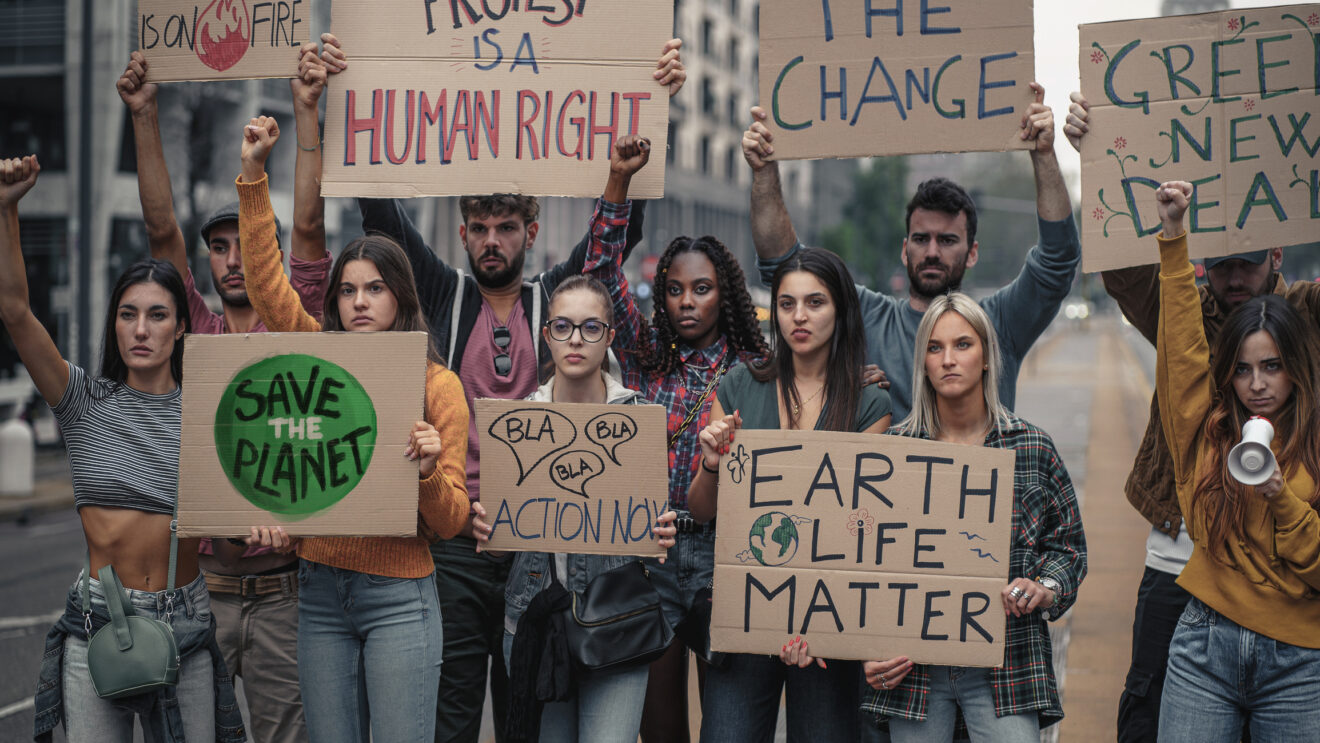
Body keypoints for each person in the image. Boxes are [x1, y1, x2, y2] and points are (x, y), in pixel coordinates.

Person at [317, 36, 686, 742]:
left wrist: (654, 106)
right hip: (457, 535)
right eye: (480, 228)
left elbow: (615, 239)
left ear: (531, 231)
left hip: (547, 537)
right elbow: (381, 218)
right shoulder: (441, 291)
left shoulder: (559, 298)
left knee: (527, 707)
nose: (493, 240)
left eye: (507, 227)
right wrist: (345, 96)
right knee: (452, 711)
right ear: (461, 234)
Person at [1062, 92, 1320, 743]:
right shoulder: (1191, 333)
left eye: (1249, 262)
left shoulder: (1308, 322)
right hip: (1188, 566)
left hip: (1292, 611)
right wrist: (1099, 164)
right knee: (1145, 718)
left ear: (1278, 259)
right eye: (1221, 264)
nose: (1234, 279)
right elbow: (1140, 279)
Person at [116, 42, 334, 742]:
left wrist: (305, 111)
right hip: (202, 591)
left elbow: (305, 226)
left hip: (282, 593)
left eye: (243, 240)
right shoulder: (197, 329)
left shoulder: (292, 321)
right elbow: (158, 231)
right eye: (218, 246)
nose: (232, 258)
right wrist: (145, 116)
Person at [233, 113, 471, 742]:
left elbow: (450, 522)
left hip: (400, 597)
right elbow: (267, 289)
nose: (359, 302)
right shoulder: (318, 358)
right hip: (317, 594)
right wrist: (254, 176)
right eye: (346, 291)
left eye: (375, 288)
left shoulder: (437, 386)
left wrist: (425, 471)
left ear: (402, 298)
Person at [2, 156, 243, 743]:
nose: (140, 329)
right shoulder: (83, 400)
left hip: (185, 624)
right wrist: (8, 209)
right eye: (128, 314)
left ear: (180, 328)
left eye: (157, 315)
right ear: (114, 325)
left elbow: (240, 513)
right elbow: (14, 311)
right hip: (97, 627)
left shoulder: (208, 411)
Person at [580, 134, 772, 740]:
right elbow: (599, 275)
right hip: (650, 554)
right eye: (675, 289)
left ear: (726, 293)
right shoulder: (641, 353)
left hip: (725, 558)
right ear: (660, 295)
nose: (687, 302)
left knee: (728, 724)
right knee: (659, 728)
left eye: (702, 288)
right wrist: (618, 183)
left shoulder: (755, 367)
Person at [742, 83, 1079, 422]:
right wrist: (764, 170)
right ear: (905, 250)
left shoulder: (998, 323)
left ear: (972, 253)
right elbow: (785, 268)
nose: (932, 252)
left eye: (947, 241)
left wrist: (1044, 155)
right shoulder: (866, 316)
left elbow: (1057, 262)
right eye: (921, 239)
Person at [857, 292, 1086, 742]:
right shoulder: (895, 454)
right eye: (935, 348)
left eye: (963, 345)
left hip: (1006, 662)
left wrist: (1046, 588)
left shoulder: (1032, 447)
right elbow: (862, 565)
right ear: (922, 362)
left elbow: (1069, 549)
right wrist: (867, 648)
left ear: (986, 356)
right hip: (915, 670)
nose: (948, 359)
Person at [688, 247, 892, 742]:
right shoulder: (738, 387)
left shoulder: (870, 404)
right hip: (747, 615)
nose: (799, 316)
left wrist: (808, 620)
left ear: (841, 309)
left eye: (816, 302)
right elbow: (701, 510)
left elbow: (858, 526)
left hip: (826, 623)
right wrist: (713, 464)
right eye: (786, 303)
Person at [1148, 181, 1320, 741]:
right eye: (1243, 371)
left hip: (1300, 659)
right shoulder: (1205, 430)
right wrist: (1174, 235)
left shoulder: (1314, 445)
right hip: (1204, 648)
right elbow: (1181, 346)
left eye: (1272, 367)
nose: (1257, 385)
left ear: (1296, 368)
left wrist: (1280, 494)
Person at [495, 275, 679, 742]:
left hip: (617, 618)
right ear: (547, 336)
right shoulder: (516, 422)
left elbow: (652, 525)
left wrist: (661, 530)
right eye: (563, 326)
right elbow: (503, 541)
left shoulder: (640, 419)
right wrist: (488, 526)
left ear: (610, 337)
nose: (575, 339)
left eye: (590, 328)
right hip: (534, 616)